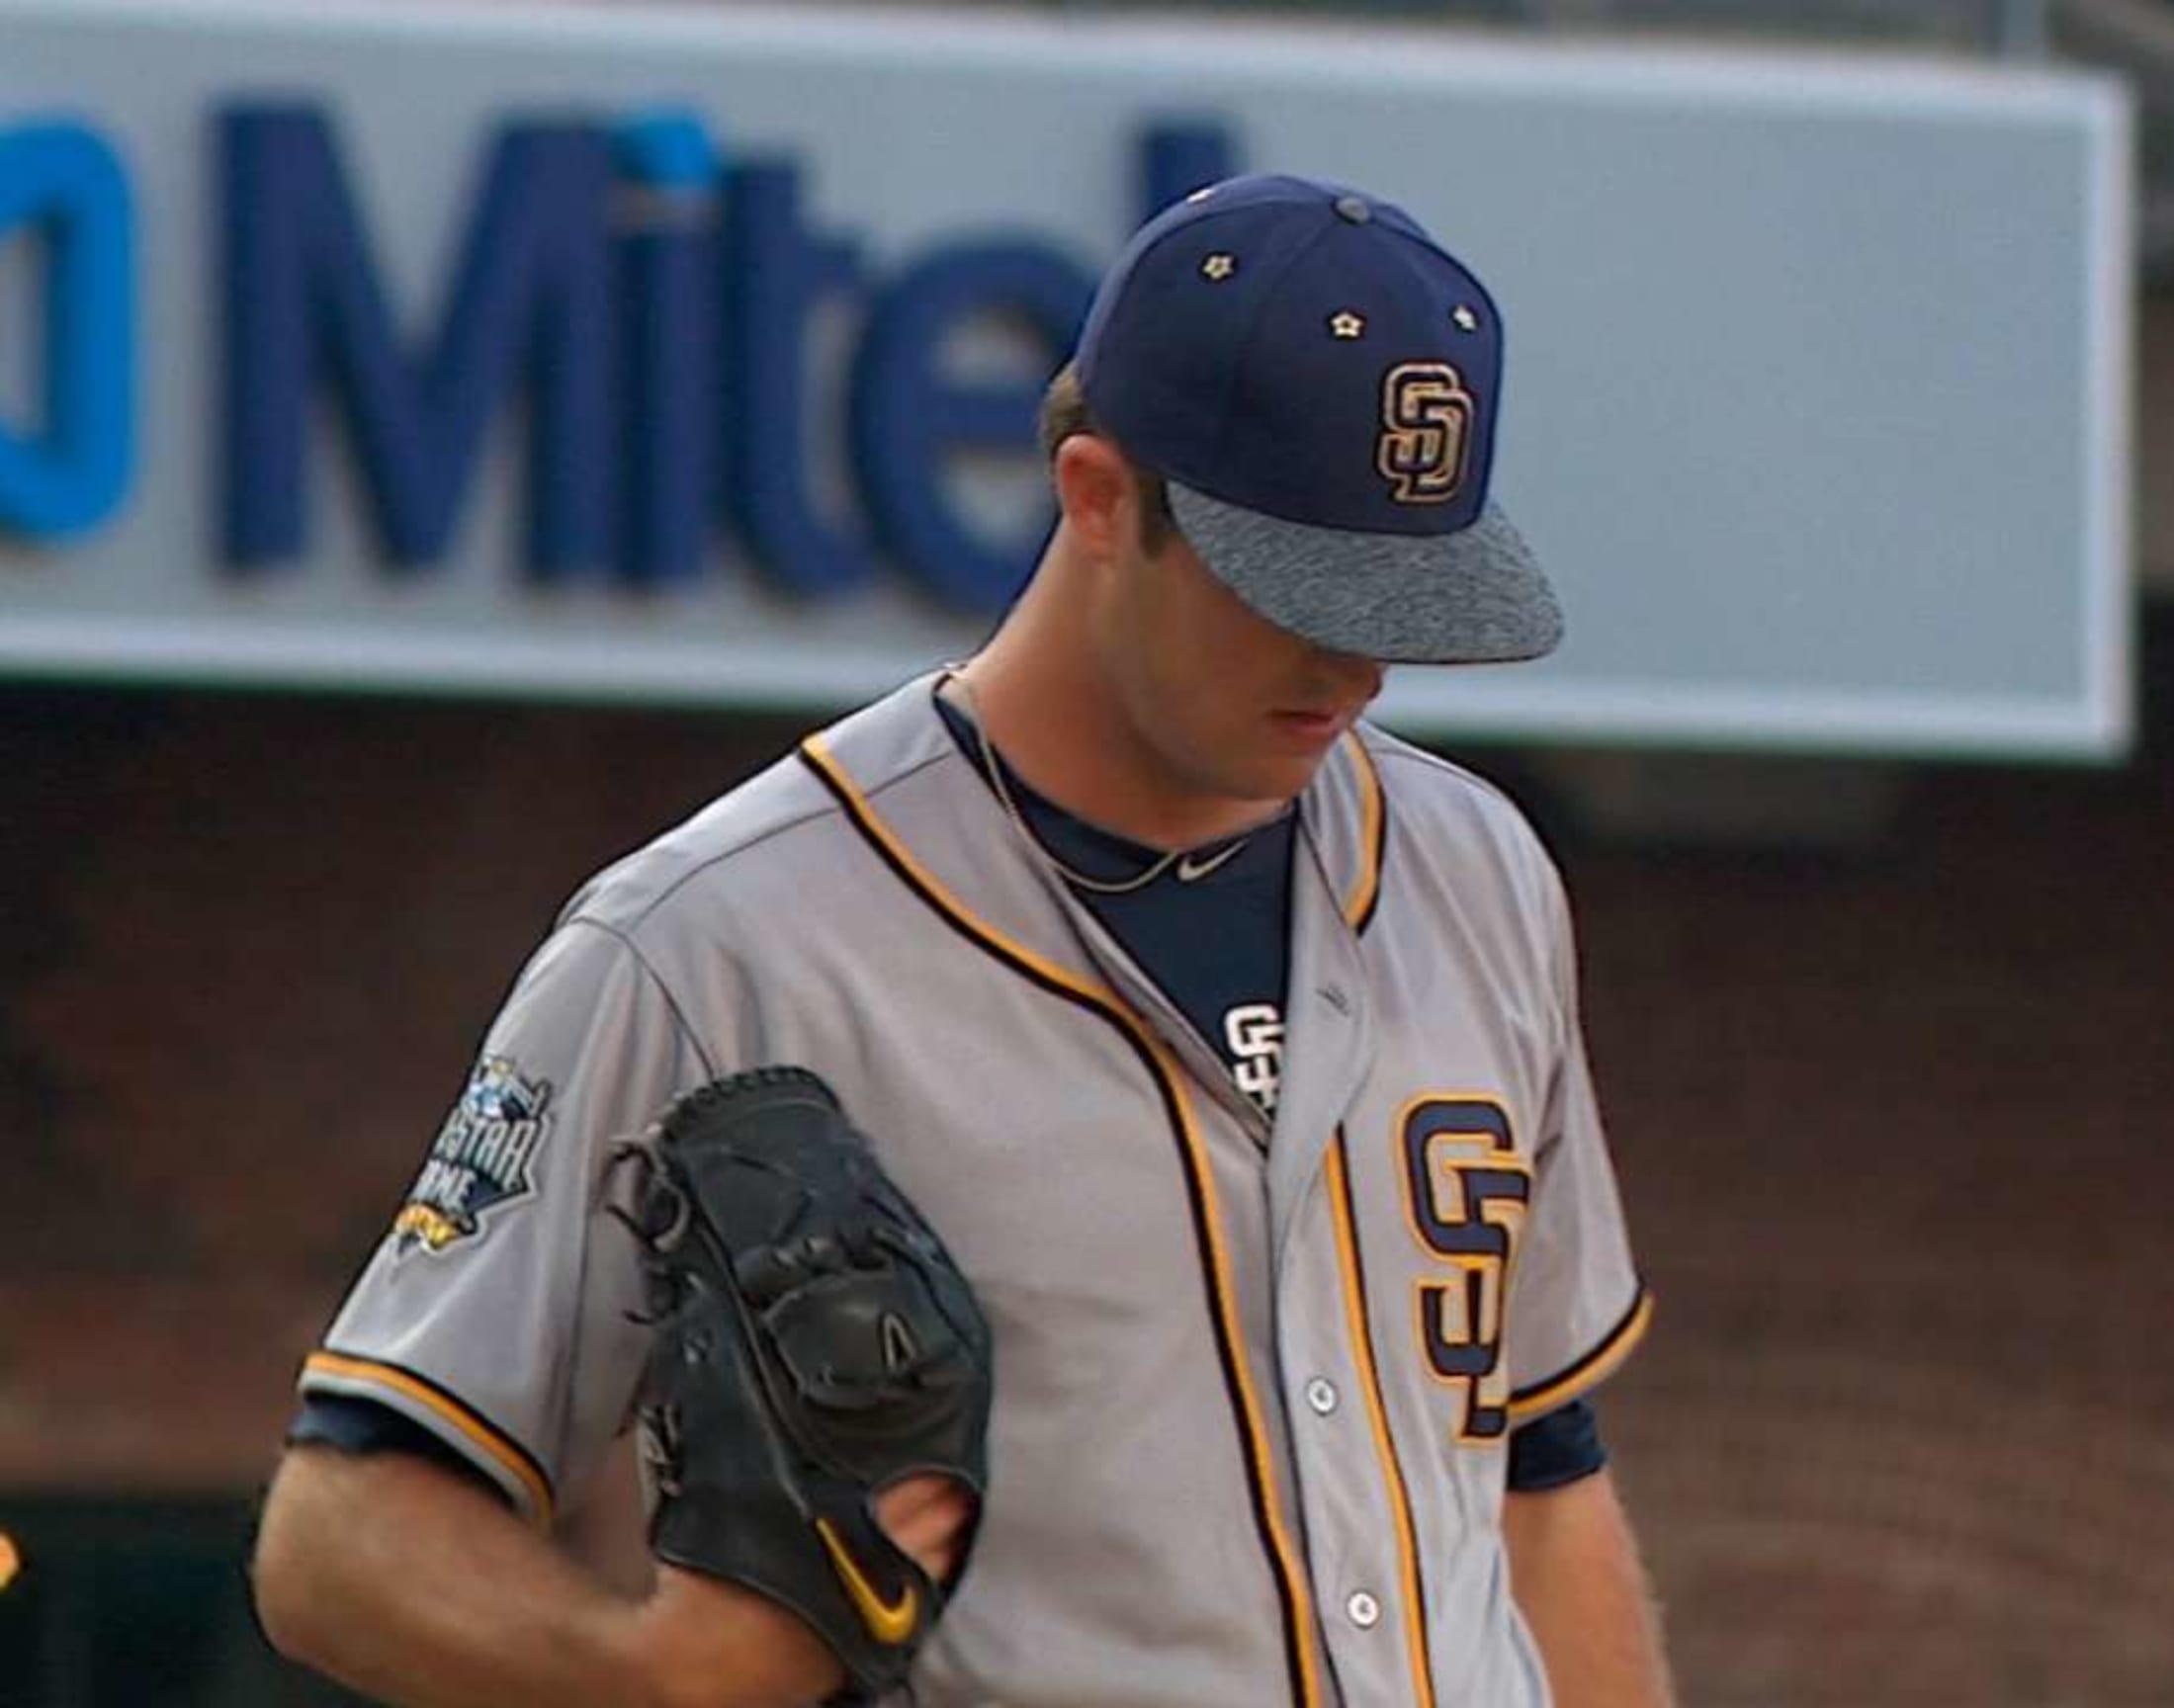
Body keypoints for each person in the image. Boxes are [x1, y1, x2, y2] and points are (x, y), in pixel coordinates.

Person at [251, 173, 1673, 1708]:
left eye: (1399, 592)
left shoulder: (1479, 874)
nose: (1356, 663)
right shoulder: (718, 942)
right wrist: (637, 1674)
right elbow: (340, 1536)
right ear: (1098, 494)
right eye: (1295, 588)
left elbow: (1539, 1475)